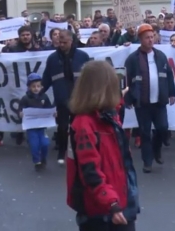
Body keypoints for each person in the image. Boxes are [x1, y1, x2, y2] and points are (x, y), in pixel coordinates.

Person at [67, 60, 138, 231]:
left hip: (118, 201)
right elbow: (90, 171)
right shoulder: (85, 124)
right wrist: (111, 202)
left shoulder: (106, 116)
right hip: (103, 210)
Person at [124, 24, 175, 173]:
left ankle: (157, 150)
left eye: (152, 37)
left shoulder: (160, 56)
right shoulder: (133, 59)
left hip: (159, 101)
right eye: (147, 38)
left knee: (162, 128)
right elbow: (126, 79)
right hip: (142, 102)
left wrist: (171, 93)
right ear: (140, 39)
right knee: (145, 132)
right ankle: (147, 161)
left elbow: (169, 75)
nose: (150, 40)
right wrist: (128, 98)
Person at [41, 29, 90, 164]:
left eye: (64, 42)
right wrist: (37, 94)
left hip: (79, 100)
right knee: (62, 127)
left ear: (71, 41)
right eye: (59, 42)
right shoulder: (52, 59)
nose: (61, 45)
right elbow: (46, 79)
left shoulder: (83, 56)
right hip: (61, 99)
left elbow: (90, 77)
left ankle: (76, 152)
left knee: (78, 127)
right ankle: (62, 152)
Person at [19, 73, 53, 171]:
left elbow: (49, 108)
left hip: (42, 127)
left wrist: (53, 114)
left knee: (45, 144)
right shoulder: (25, 98)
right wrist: (21, 114)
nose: (36, 88)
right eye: (33, 86)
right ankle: (37, 161)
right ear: (29, 87)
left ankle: (43, 158)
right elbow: (20, 110)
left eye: (38, 86)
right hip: (31, 128)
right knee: (34, 145)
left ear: (41, 86)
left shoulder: (44, 97)